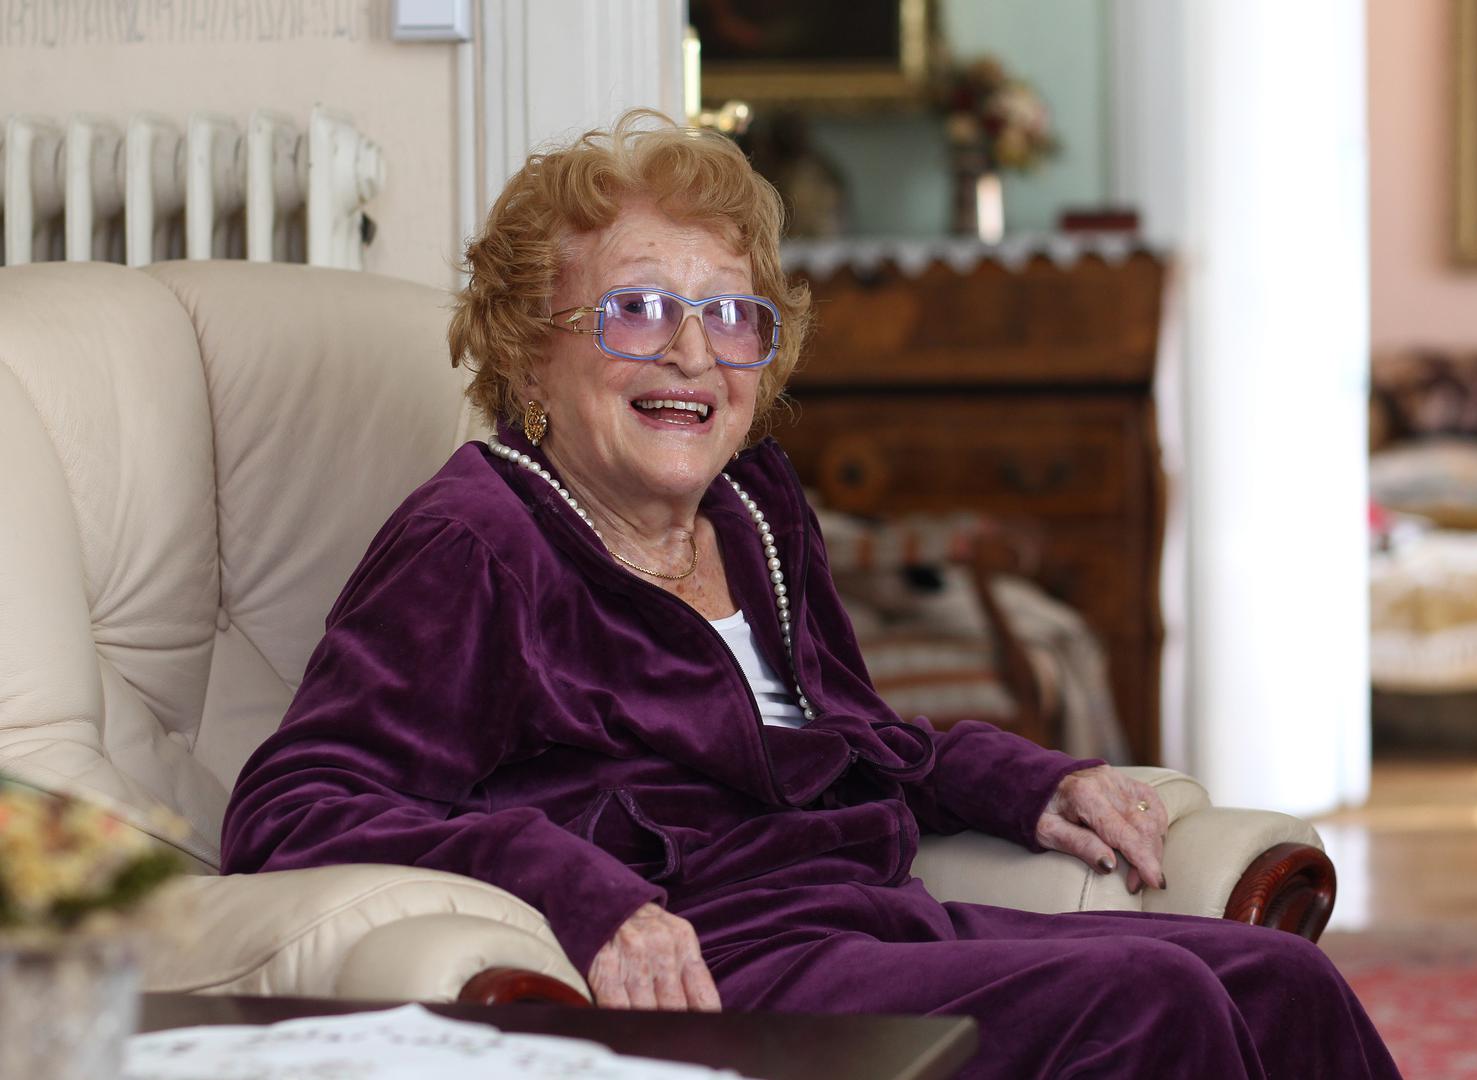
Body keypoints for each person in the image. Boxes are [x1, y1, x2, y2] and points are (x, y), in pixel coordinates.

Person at [222, 110, 1399, 1079]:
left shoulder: (752, 506)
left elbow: (848, 738)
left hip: (868, 916)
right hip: (724, 962)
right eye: (637, 308)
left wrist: (1019, 778)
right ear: (532, 349)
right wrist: (573, 886)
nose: (693, 354)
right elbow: (294, 803)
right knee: (1148, 999)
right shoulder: (477, 541)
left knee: (1279, 980)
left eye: (729, 315)